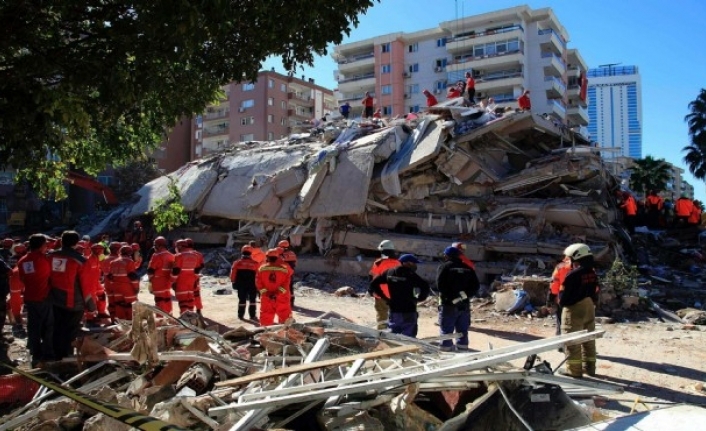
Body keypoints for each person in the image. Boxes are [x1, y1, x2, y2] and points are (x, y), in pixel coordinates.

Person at [48, 231, 95, 360]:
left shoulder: (49, 256)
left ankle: (55, 354)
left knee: (56, 328)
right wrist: (91, 306)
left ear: (62, 241)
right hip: (73, 303)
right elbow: (86, 286)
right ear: (76, 243)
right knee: (70, 331)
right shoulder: (81, 261)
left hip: (53, 300)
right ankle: (65, 357)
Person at [559, 243, 600, 378]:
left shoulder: (573, 275)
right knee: (589, 338)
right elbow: (596, 291)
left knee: (571, 340)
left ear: (577, 257)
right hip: (589, 307)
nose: (568, 261)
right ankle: (590, 368)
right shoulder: (592, 272)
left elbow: (564, 297)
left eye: (570, 258)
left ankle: (574, 371)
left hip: (574, 309)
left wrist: (561, 305)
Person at [369, 254, 430, 338]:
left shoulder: (390, 272)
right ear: (406, 263)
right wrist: (419, 298)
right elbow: (425, 286)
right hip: (409, 310)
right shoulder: (411, 275)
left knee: (394, 335)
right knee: (409, 336)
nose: (415, 265)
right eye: (414, 263)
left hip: (394, 309)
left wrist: (385, 297)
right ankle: (407, 350)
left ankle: (395, 349)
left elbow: (373, 284)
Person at [18, 234, 53, 367]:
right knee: (48, 327)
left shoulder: (23, 260)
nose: (47, 247)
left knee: (33, 326)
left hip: (30, 297)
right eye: (45, 245)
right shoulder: (44, 259)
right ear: (41, 246)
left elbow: (22, 278)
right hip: (43, 297)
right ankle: (48, 353)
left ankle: (35, 352)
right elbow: (51, 276)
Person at [436, 246, 479, 351]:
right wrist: (463, 296)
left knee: (446, 329)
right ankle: (462, 348)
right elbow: (475, 286)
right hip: (464, 304)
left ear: (447, 255)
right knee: (462, 330)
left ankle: (446, 350)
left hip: (448, 304)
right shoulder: (468, 268)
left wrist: (452, 297)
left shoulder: (444, 267)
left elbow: (440, 286)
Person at [256, 248, 293, 326]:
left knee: (266, 318)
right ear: (277, 257)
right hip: (281, 297)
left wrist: (267, 293)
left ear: (267, 257)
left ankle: (265, 335)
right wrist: (277, 293)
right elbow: (285, 284)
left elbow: (258, 283)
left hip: (267, 298)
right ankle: (287, 335)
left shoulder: (261, 269)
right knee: (285, 318)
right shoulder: (284, 269)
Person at [368, 240, 400, 330]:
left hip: (380, 294)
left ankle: (382, 334)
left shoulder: (378, 263)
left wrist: (370, 289)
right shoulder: (398, 263)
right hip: (394, 295)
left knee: (382, 315)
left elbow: (372, 277)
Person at [171, 239, 204, 315]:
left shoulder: (178, 256)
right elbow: (198, 268)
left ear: (179, 247)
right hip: (192, 281)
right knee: (191, 301)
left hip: (181, 282)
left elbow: (175, 271)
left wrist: (172, 282)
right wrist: (195, 280)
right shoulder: (196, 255)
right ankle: (193, 317)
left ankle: (185, 321)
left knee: (183, 303)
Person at [108, 245, 139, 320]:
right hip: (127, 288)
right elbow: (133, 277)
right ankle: (132, 322)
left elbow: (110, 277)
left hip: (116, 287)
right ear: (129, 253)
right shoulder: (129, 261)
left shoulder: (113, 262)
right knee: (131, 305)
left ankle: (121, 323)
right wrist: (136, 288)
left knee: (119, 305)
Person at [230, 245, 260, 321]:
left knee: (242, 300)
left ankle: (240, 315)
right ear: (251, 253)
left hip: (241, 284)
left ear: (242, 252)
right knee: (252, 300)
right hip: (252, 284)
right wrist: (259, 285)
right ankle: (252, 315)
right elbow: (258, 275)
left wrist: (233, 281)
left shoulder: (237, 263)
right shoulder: (255, 263)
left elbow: (233, 273)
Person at [146, 236, 175, 314]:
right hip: (167, 282)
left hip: (158, 282)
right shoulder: (171, 255)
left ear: (159, 245)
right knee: (167, 299)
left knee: (159, 300)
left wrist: (150, 280)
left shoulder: (156, 255)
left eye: (155, 245)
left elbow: (150, 270)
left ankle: (160, 319)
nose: (154, 247)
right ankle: (170, 316)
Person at [548, 255, 572, 336]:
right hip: (581, 300)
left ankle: (561, 341)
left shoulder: (560, 267)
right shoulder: (587, 267)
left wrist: (551, 299)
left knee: (561, 321)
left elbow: (554, 285)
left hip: (563, 298)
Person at [8, 243, 27, 338]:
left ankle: (16, 321)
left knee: (14, 299)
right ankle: (17, 321)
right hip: (17, 278)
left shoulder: (11, 259)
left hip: (15, 278)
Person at [278, 240, 297, 307]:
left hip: (283, 274)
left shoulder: (281, 255)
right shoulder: (292, 253)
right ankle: (291, 302)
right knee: (290, 287)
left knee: (282, 288)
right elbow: (294, 263)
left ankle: (283, 301)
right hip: (290, 273)